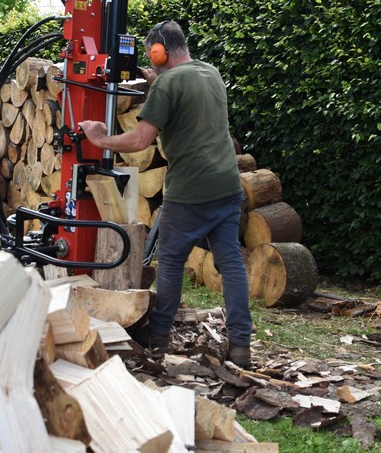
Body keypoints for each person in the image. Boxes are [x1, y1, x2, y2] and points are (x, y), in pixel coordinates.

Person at [78, 20, 253, 368]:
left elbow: (140, 140)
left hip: (190, 190)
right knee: (231, 264)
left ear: (158, 51)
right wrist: (159, 81)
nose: (149, 59)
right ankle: (240, 347)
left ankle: (157, 341)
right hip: (227, 185)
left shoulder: (168, 85)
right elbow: (186, 101)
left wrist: (101, 140)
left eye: (150, 54)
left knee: (171, 263)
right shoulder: (210, 72)